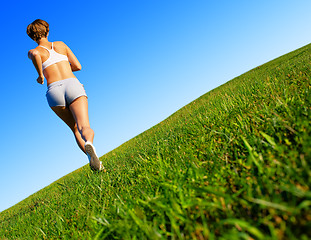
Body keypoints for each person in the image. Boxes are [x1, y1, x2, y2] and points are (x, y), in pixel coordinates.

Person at [27, 19, 103, 171]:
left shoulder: (34, 51)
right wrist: (65, 69)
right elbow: (78, 66)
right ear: (47, 30)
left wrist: (41, 75)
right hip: (72, 84)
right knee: (84, 126)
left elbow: (35, 53)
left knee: (74, 129)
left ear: (32, 36)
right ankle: (89, 142)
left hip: (54, 91)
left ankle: (96, 163)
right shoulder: (61, 45)